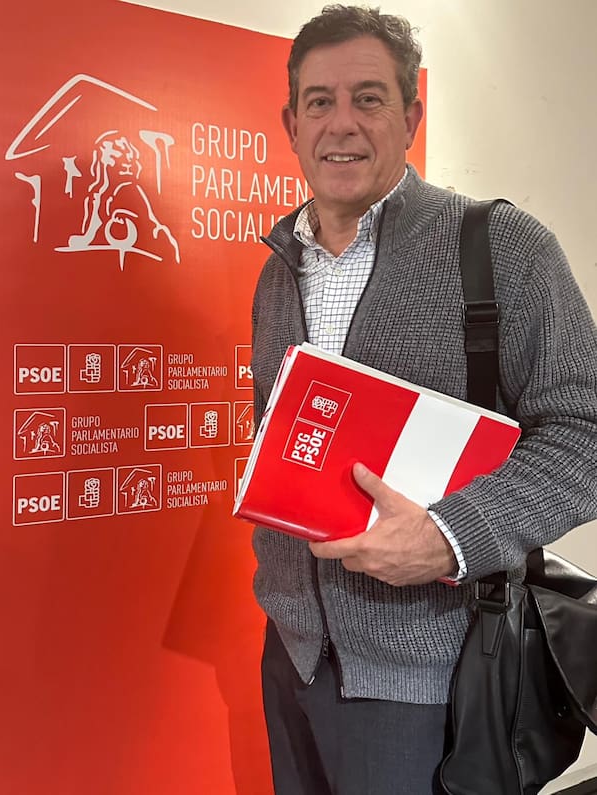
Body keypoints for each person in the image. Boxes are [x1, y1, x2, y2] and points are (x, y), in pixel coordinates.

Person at [250, 5, 597, 794]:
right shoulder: (278, 269)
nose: (342, 123)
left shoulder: (503, 248)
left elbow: (585, 433)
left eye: (369, 98)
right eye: (319, 101)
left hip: (433, 676)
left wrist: (451, 535)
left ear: (410, 116)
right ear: (292, 125)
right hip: (292, 659)